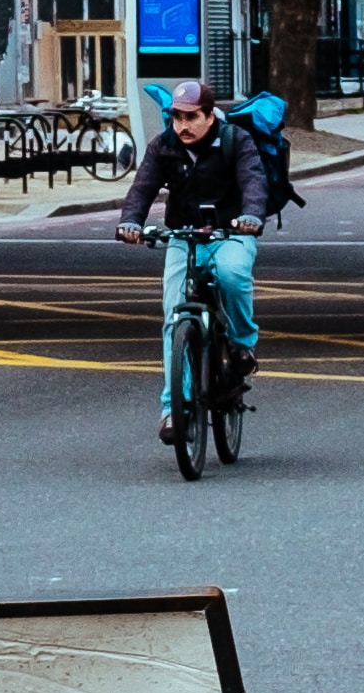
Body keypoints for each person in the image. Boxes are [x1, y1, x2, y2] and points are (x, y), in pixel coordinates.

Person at [115, 80, 294, 447]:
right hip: (183, 235)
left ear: (210, 115)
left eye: (191, 117)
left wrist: (251, 217)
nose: (183, 125)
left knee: (232, 274)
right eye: (177, 117)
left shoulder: (235, 140)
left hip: (232, 232)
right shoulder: (164, 145)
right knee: (173, 315)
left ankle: (243, 344)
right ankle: (174, 410)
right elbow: (143, 187)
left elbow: (253, 181)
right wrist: (130, 221)